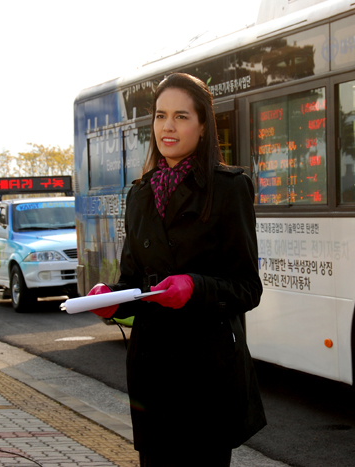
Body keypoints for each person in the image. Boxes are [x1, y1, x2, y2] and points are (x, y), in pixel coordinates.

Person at [86, 73, 266, 466]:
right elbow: (133, 282)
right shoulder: (139, 194)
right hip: (152, 373)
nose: (168, 126)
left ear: (202, 126)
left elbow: (248, 288)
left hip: (207, 374)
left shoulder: (230, 188)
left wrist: (195, 287)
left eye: (181, 116)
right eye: (160, 115)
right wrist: (110, 302)